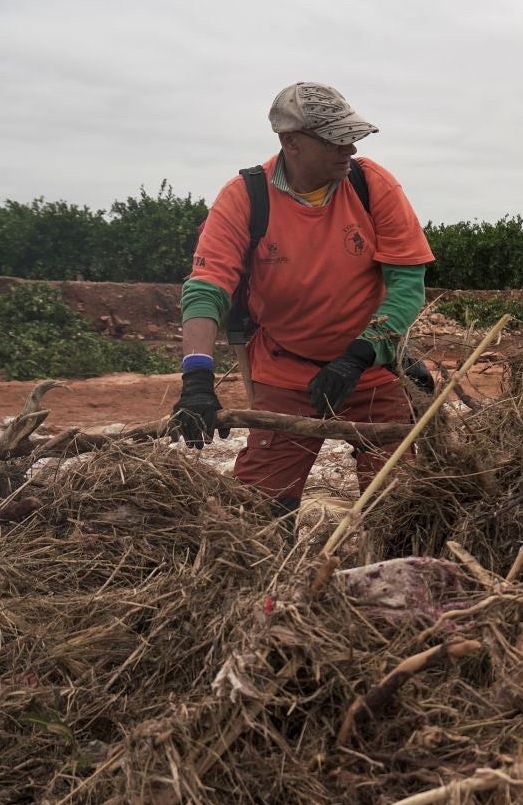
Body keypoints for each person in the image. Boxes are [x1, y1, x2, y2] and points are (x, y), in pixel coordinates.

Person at [169, 82, 435, 515]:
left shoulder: (371, 185)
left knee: (398, 505)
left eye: (351, 136)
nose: (348, 148)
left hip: (372, 371)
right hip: (286, 371)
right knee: (260, 511)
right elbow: (207, 286)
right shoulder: (245, 198)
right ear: (291, 141)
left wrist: (360, 355)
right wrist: (196, 378)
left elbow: (407, 283)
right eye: (333, 139)